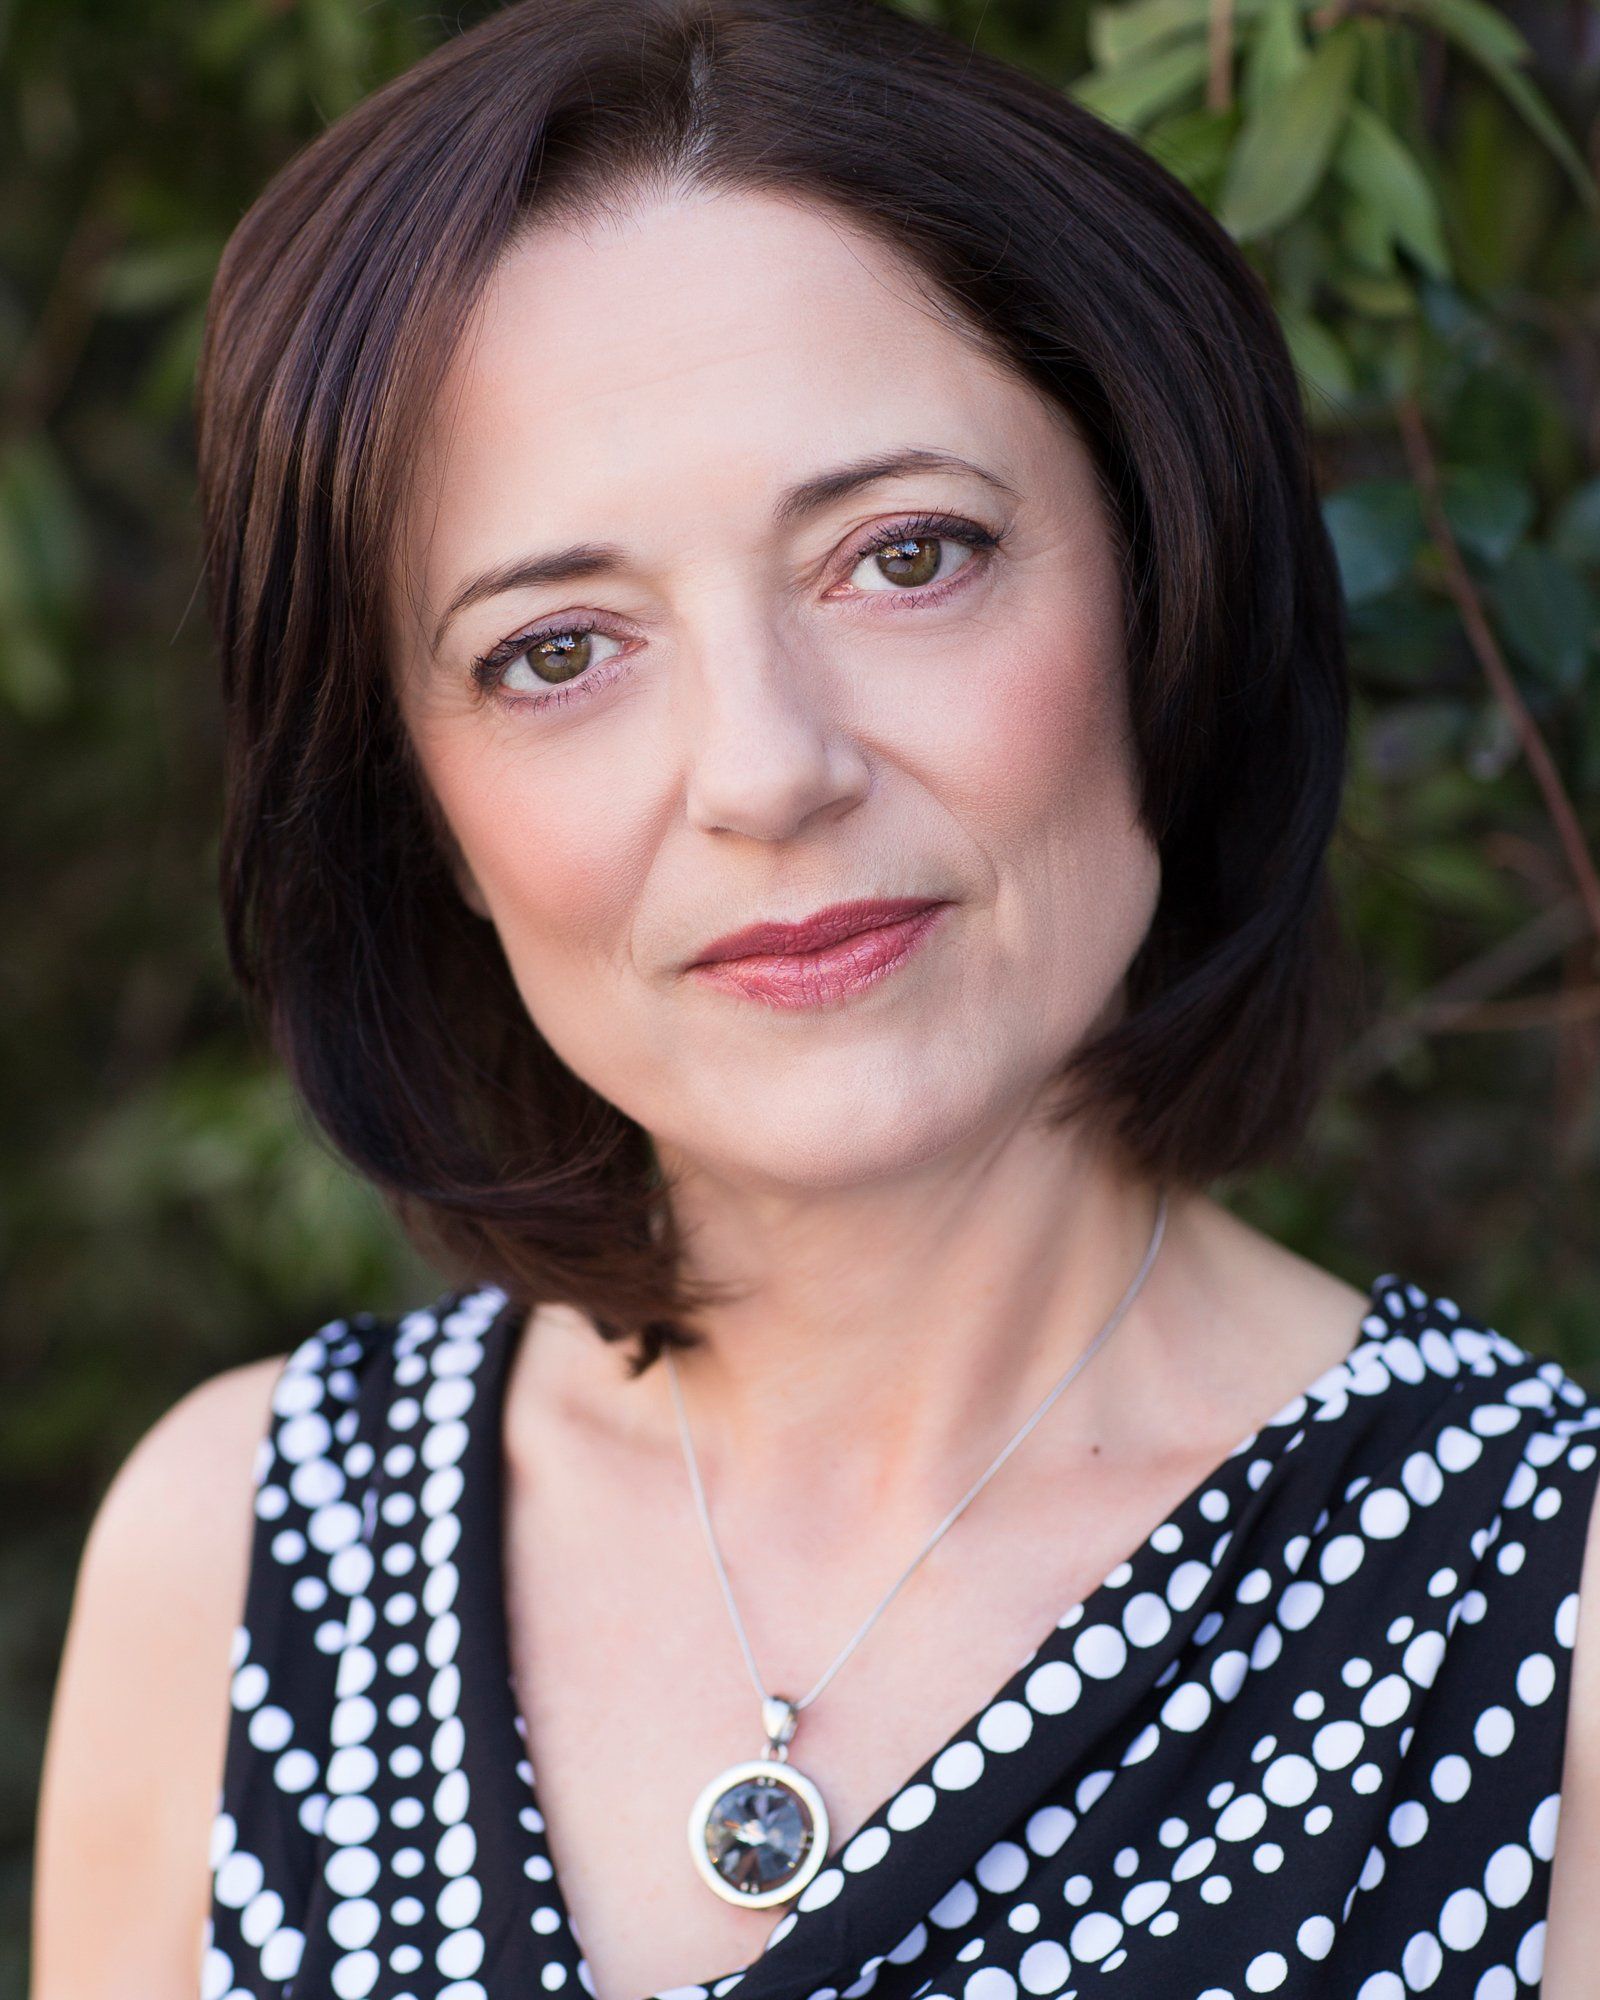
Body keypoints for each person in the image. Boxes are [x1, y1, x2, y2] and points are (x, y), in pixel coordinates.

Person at [30, 1, 1600, 1995]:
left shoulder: (1553, 1615)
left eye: (903, 554)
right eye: (553, 649)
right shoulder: (243, 1550)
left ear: (1163, 581)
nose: (767, 768)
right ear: (414, 804)